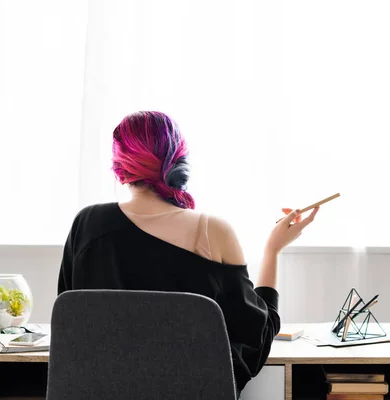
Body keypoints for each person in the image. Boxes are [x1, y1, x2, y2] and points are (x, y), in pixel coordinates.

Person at [57, 111, 319, 397]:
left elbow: (70, 327)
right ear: (178, 160)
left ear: (121, 165)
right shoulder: (212, 231)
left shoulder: (87, 224)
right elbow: (254, 344)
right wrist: (273, 250)